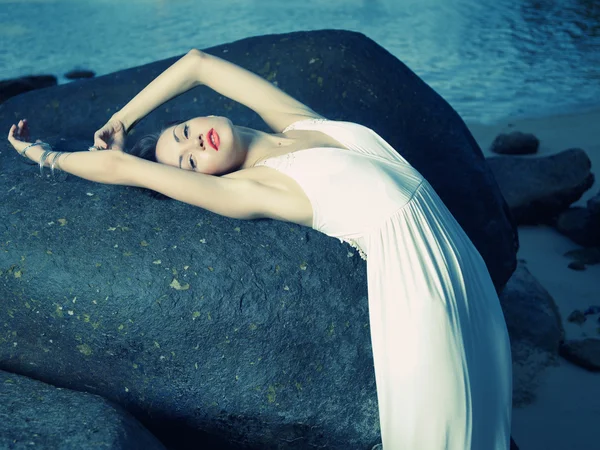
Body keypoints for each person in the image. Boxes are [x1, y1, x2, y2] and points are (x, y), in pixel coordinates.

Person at [7, 48, 513, 449]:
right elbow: (122, 169)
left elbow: (198, 64)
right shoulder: (252, 190)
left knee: (489, 418)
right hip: (418, 294)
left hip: (460, 262)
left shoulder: (297, 122)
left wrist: (123, 118)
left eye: (183, 133)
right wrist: (43, 155)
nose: (195, 145)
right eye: (187, 163)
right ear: (205, 180)